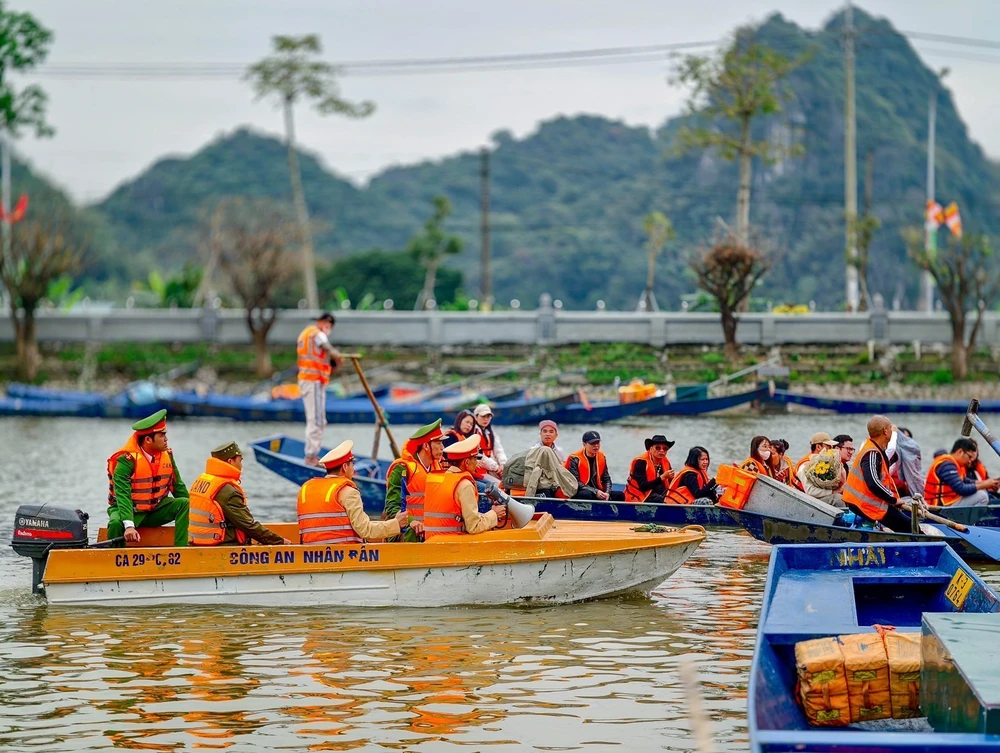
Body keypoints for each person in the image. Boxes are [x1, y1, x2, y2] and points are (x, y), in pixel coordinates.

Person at [107, 409, 190, 547]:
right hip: (129, 510)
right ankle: (115, 559)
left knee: (184, 503)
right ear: (148, 439)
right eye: (162, 435)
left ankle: (182, 550)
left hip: (155, 509)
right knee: (116, 523)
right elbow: (123, 495)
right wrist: (129, 526)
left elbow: (178, 487)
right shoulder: (126, 460)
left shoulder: (167, 455)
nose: (166, 439)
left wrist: (195, 518)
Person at [297, 440, 408, 544]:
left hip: (310, 557)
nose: (354, 470)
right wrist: (396, 524)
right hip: (344, 557)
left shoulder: (305, 489)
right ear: (345, 467)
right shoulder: (348, 492)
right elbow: (365, 530)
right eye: (352, 465)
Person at [189, 441, 288, 546]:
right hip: (224, 548)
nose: (241, 465)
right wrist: (279, 541)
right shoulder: (228, 491)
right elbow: (248, 525)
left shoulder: (203, 481)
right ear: (230, 461)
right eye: (240, 461)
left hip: (198, 543)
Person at [423, 435, 508, 537]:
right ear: (467, 462)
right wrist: (494, 513)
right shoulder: (464, 485)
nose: (477, 463)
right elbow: (474, 527)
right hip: (452, 543)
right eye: (475, 459)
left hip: (431, 539)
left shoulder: (439, 479)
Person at [841, 415, 913, 533]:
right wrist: (893, 500)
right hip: (863, 503)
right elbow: (873, 483)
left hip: (866, 501)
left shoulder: (876, 448)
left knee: (905, 523)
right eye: (890, 428)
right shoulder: (872, 453)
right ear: (885, 431)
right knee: (908, 526)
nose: (892, 430)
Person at [297, 312, 344, 466]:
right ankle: (311, 456)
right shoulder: (316, 334)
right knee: (317, 420)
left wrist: (333, 362)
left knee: (318, 419)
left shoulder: (306, 334)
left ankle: (312, 453)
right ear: (322, 322)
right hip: (313, 381)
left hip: (310, 380)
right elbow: (326, 345)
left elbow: (322, 357)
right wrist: (336, 354)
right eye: (328, 325)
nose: (328, 329)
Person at [383, 420, 445, 528]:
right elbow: (392, 506)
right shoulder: (402, 469)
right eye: (439, 443)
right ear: (426, 446)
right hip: (409, 532)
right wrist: (411, 522)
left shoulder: (439, 467)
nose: (442, 447)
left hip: (433, 530)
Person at [923, 438, 999, 507]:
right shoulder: (947, 465)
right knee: (982, 496)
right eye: (969, 457)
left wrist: (987, 483)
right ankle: (970, 521)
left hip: (948, 501)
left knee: (982, 491)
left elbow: (966, 481)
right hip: (939, 506)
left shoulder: (953, 463)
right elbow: (961, 489)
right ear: (960, 452)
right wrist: (985, 484)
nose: (970, 461)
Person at [565, 431, 625, 501]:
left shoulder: (602, 456)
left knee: (619, 495)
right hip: (579, 490)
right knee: (587, 494)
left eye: (598, 443)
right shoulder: (575, 458)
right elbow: (575, 482)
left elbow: (606, 478)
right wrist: (595, 491)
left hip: (597, 490)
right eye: (592, 443)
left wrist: (607, 493)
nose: (596, 446)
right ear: (584, 444)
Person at [624, 435, 675, 503]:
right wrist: (662, 477)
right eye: (658, 448)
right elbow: (643, 486)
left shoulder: (665, 461)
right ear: (650, 449)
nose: (662, 451)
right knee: (664, 500)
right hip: (639, 496)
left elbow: (671, 483)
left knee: (675, 498)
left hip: (658, 493)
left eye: (665, 448)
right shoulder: (641, 462)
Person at [472, 404, 507, 476]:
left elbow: (499, 450)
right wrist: (496, 467)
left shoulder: (491, 433)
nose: (486, 419)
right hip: (479, 469)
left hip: (491, 467)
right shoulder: (473, 433)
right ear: (476, 417)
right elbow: (480, 455)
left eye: (488, 416)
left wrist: (503, 464)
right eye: (483, 416)